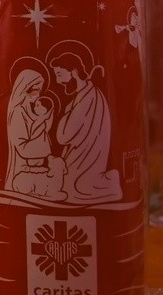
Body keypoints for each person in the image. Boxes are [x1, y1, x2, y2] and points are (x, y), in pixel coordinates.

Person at [52, 48, 121, 204]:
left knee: (71, 188)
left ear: (74, 72)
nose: (57, 81)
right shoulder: (84, 96)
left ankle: (106, 184)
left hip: (84, 163)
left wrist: (67, 112)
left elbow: (63, 136)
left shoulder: (88, 98)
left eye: (60, 75)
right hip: (79, 158)